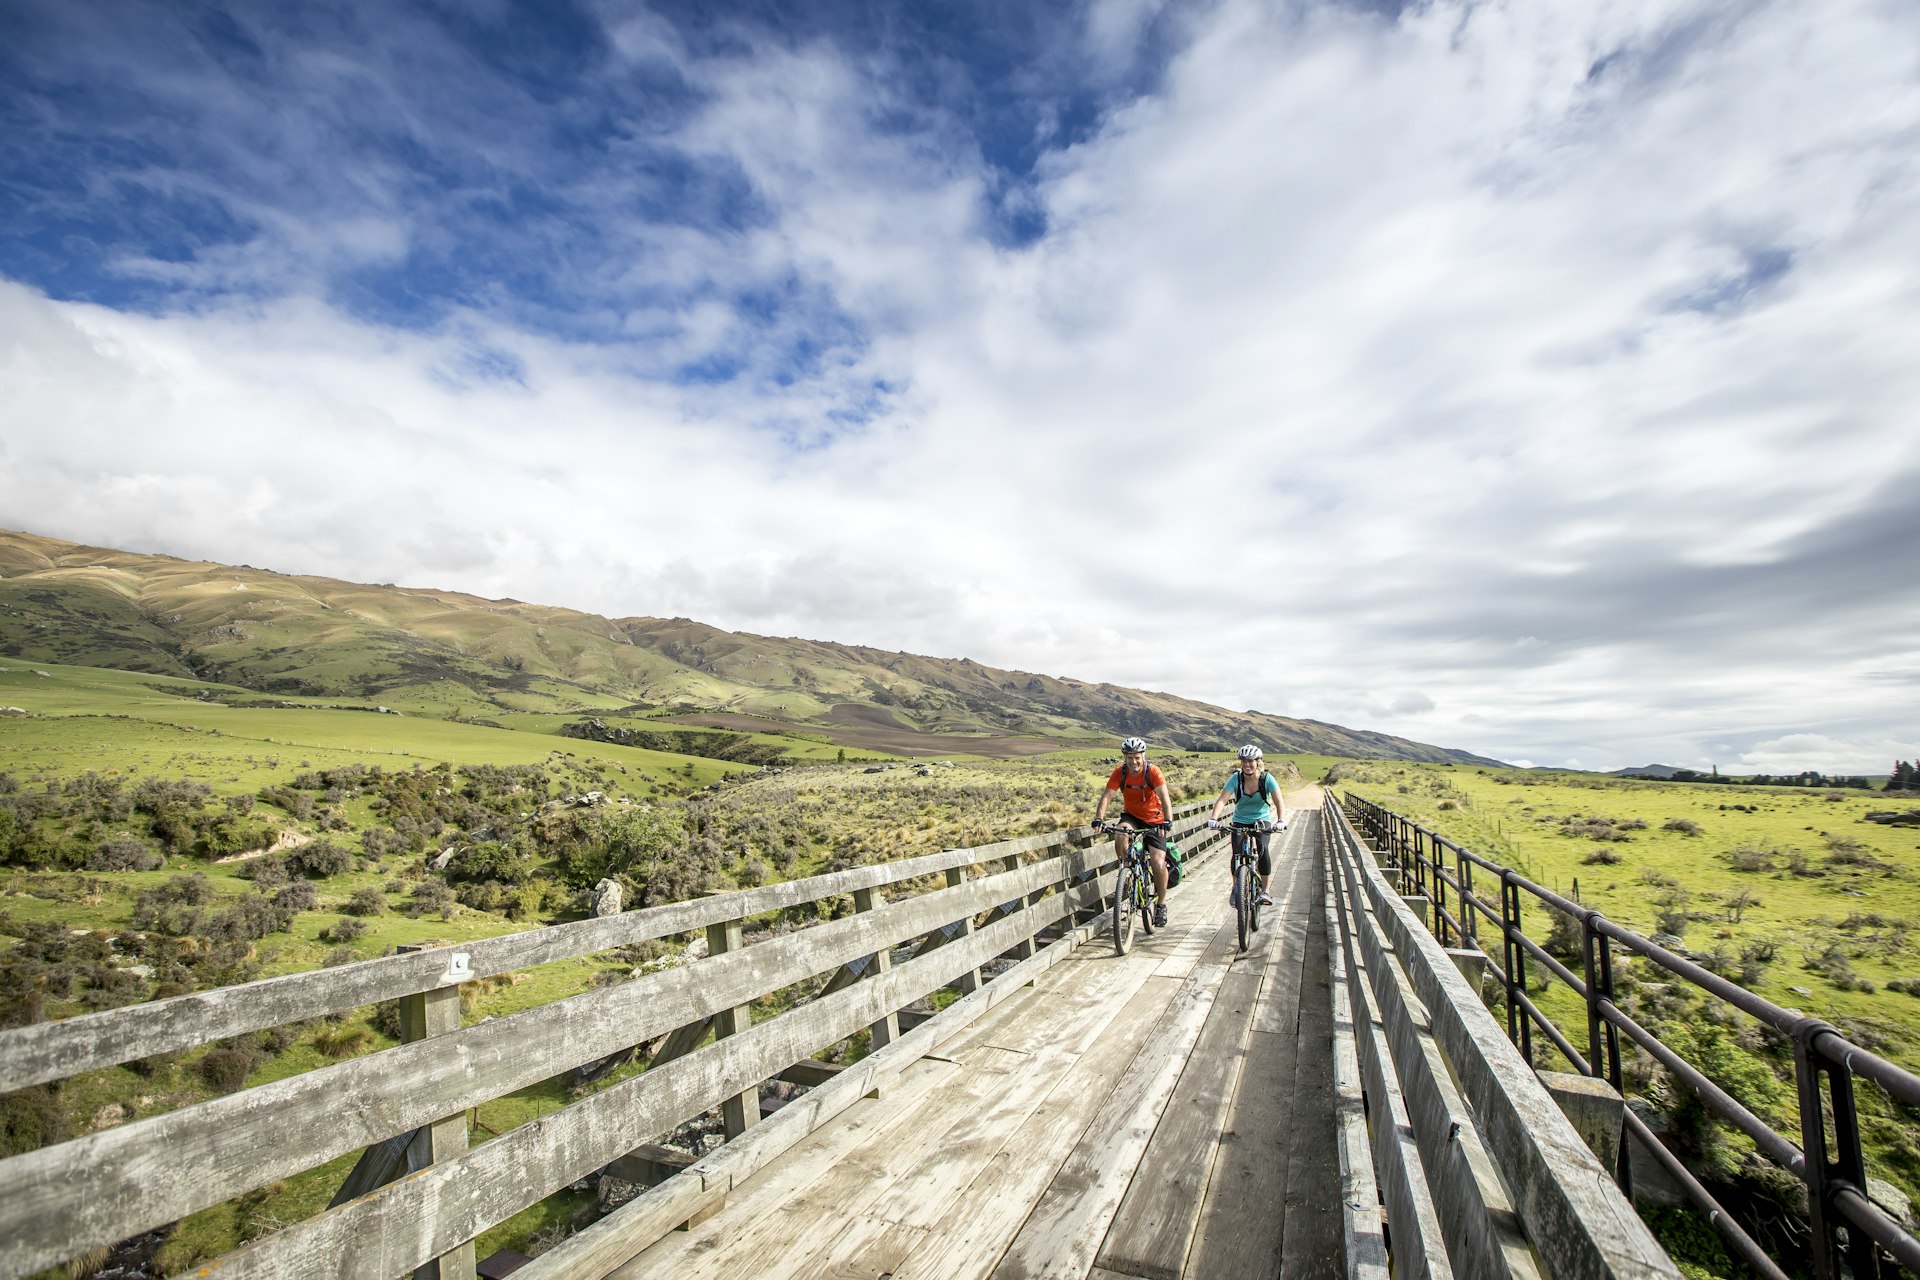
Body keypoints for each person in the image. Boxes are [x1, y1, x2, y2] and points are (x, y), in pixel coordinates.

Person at [1093, 737, 1175, 926]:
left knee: (1157, 861)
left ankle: (1161, 904)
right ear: (1125, 758)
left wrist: (1168, 820)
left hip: (1156, 820)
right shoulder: (1120, 773)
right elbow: (1107, 796)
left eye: (1137, 757)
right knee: (1121, 832)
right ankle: (1127, 870)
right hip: (1132, 818)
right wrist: (1099, 818)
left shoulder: (1153, 771)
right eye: (1130, 758)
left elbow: (1165, 797)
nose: (1134, 762)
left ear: (1143, 756)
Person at [1207, 744, 1287, 908]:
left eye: (1251, 761)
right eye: (1244, 761)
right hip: (1240, 820)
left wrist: (1280, 821)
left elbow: (1279, 801)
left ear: (1258, 762)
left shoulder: (1267, 779)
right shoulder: (1236, 779)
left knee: (1263, 850)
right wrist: (1214, 818)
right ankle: (1236, 888)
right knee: (1236, 853)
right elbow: (1222, 799)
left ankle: (1265, 891)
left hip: (1261, 819)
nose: (1247, 765)